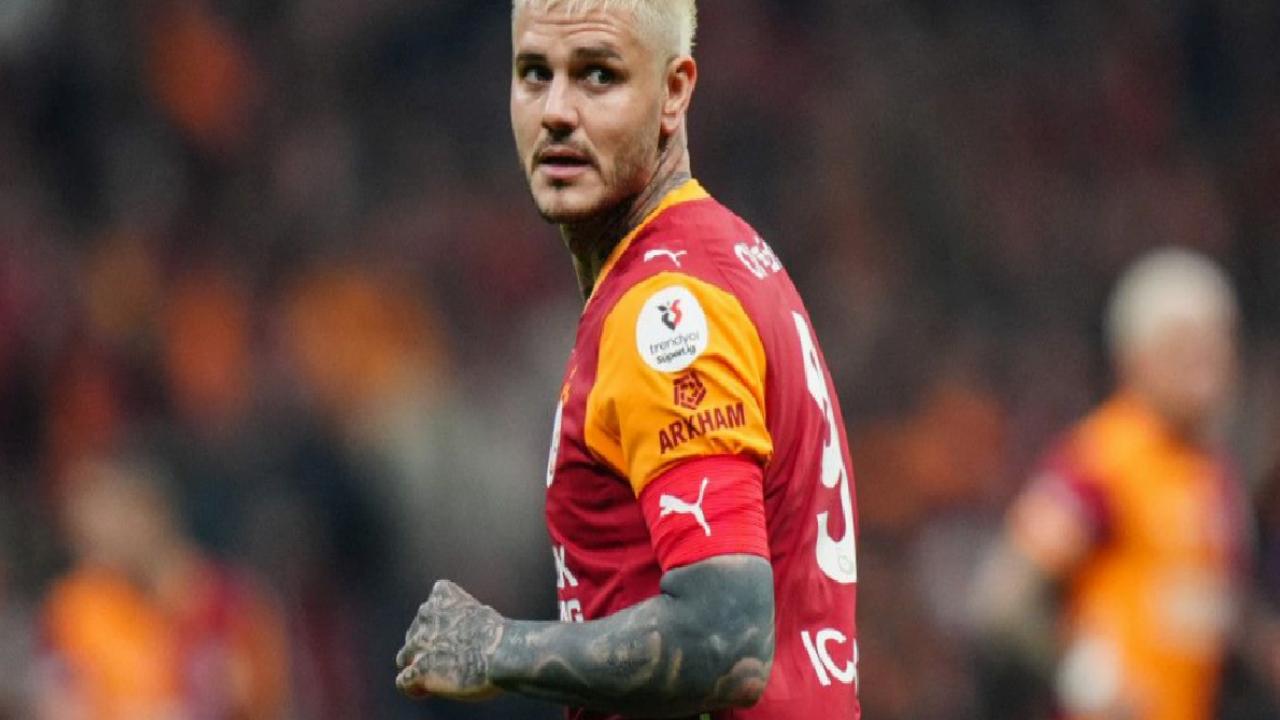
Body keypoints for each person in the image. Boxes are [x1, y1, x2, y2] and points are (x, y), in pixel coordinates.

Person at [395, 1, 862, 718]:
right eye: (534, 73)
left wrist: (498, 648)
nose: (556, 111)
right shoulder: (719, 254)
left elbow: (724, 636)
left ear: (674, 92)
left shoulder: (665, 311)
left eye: (598, 76)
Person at [971, 248, 1247, 720]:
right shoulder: (1100, 460)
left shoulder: (1215, 476)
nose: (1203, 362)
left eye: (1215, 339)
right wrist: (1087, 679)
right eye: (1182, 343)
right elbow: (1004, 600)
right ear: (1134, 358)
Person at [35, 453, 290, 720]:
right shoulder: (79, 607)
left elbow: (266, 702)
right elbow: (59, 704)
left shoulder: (234, 605)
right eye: (83, 541)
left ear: (146, 514)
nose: (92, 558)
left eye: (99, 539)